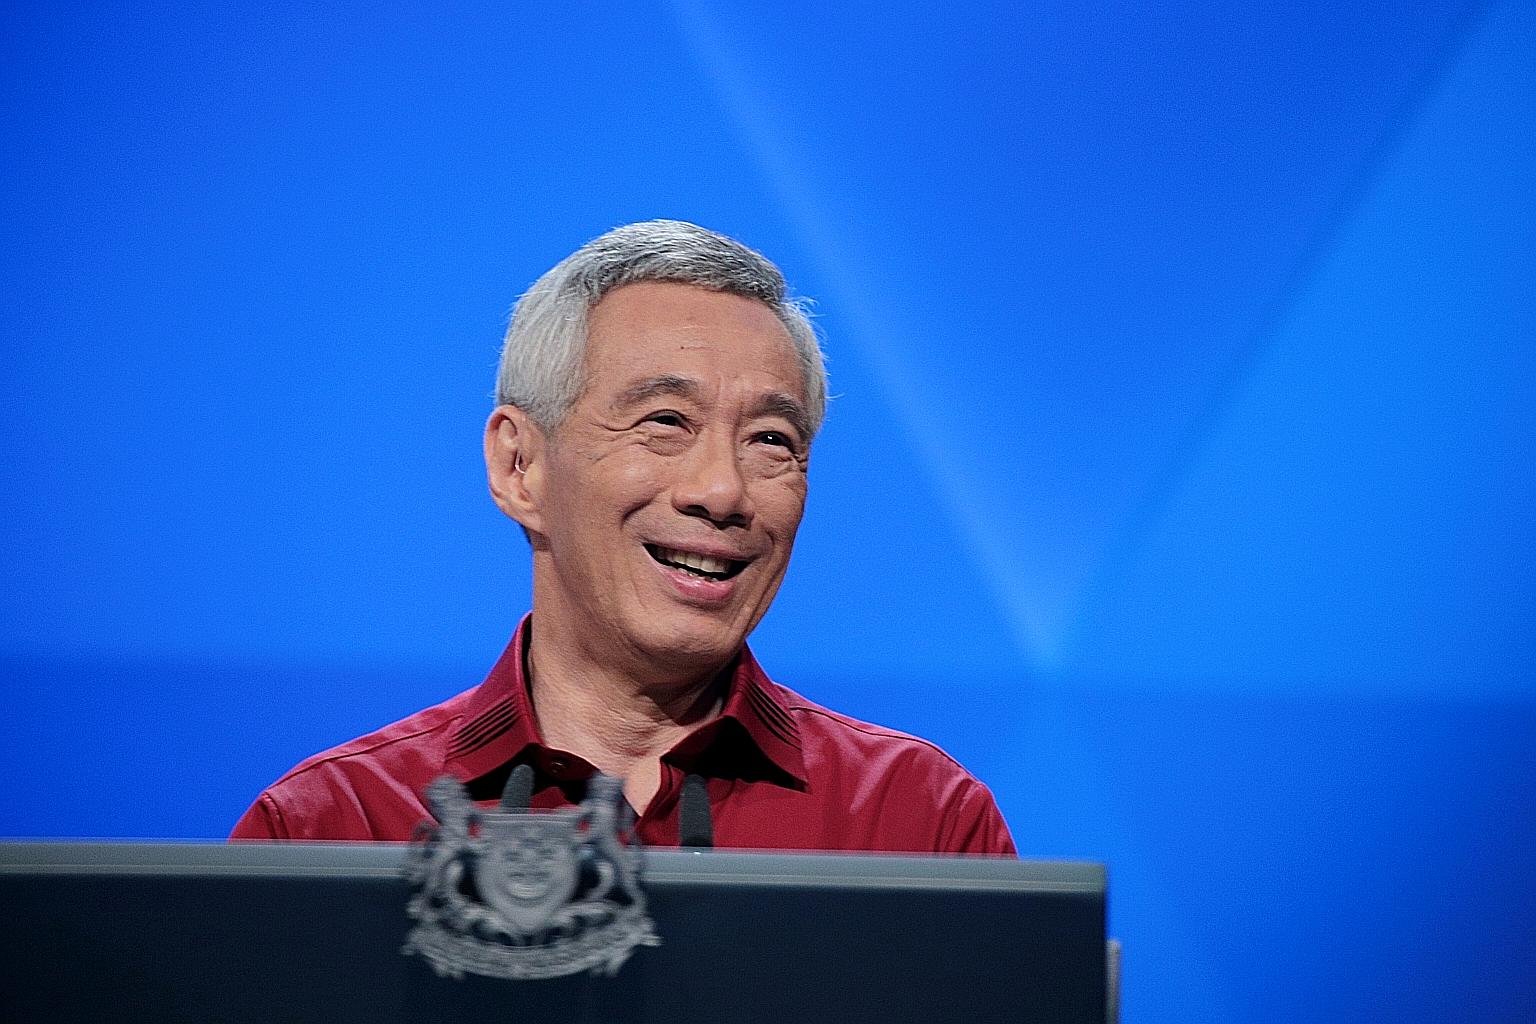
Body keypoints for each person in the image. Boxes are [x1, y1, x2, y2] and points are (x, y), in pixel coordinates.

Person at [231, 220, 1015, 854]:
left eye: (772, 440)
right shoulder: (332, 829)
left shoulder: (920, 827)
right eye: (665, 422)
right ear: (519, 466)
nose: (723, 492)